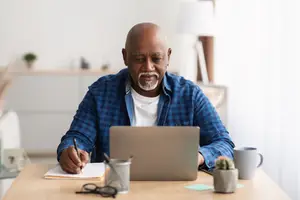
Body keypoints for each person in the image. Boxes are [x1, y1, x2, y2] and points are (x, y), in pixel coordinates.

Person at [57, 22, 235, 174]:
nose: (148, 67)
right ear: (125, 57)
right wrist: (72, 151)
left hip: (175, 191)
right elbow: (77, 136)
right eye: (139, 58)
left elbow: (225, 144)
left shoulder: (190, 95)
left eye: (156, 58)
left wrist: (199, 157)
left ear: (168, 57)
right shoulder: (101, 92)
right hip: (115, 188)